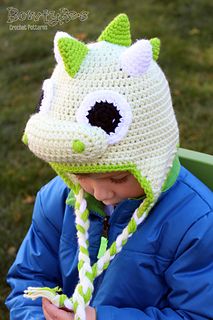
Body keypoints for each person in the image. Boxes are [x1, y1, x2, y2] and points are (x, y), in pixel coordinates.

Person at [5, 13, 213, 320]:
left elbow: (197, 315)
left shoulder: (195, 223)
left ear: (151, 160)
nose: (101, 193)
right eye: (81, 176)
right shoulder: (56, 198)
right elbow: (28, 282)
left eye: (117, 177)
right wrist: (38, 315)